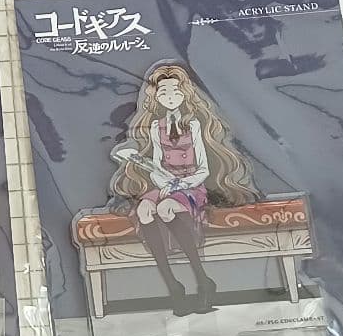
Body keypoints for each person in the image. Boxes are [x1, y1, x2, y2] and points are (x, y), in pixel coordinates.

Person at [110, 63, 260, 316]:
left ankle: (202, 279)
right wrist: (161, 181)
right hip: (165, 182)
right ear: (155, 97)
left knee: (166, 209)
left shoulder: (194, 125)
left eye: (175, 91)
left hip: (193, 185)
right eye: (163, 92)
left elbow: (203, 168)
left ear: (185, 93)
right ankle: (173, 286)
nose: (170, 97)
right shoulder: (156, 127)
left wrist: (182, 184)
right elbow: (157, 163)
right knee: (145, 209)